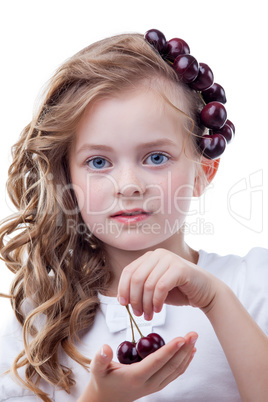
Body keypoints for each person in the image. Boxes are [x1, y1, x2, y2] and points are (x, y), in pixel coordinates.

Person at [0, 29, 267, 402]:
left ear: (202, 173)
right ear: (69, 181)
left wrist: (215, 300)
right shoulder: (34, 322)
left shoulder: (253, 286)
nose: (128, 185)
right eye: (98, 162)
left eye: (156, 157)